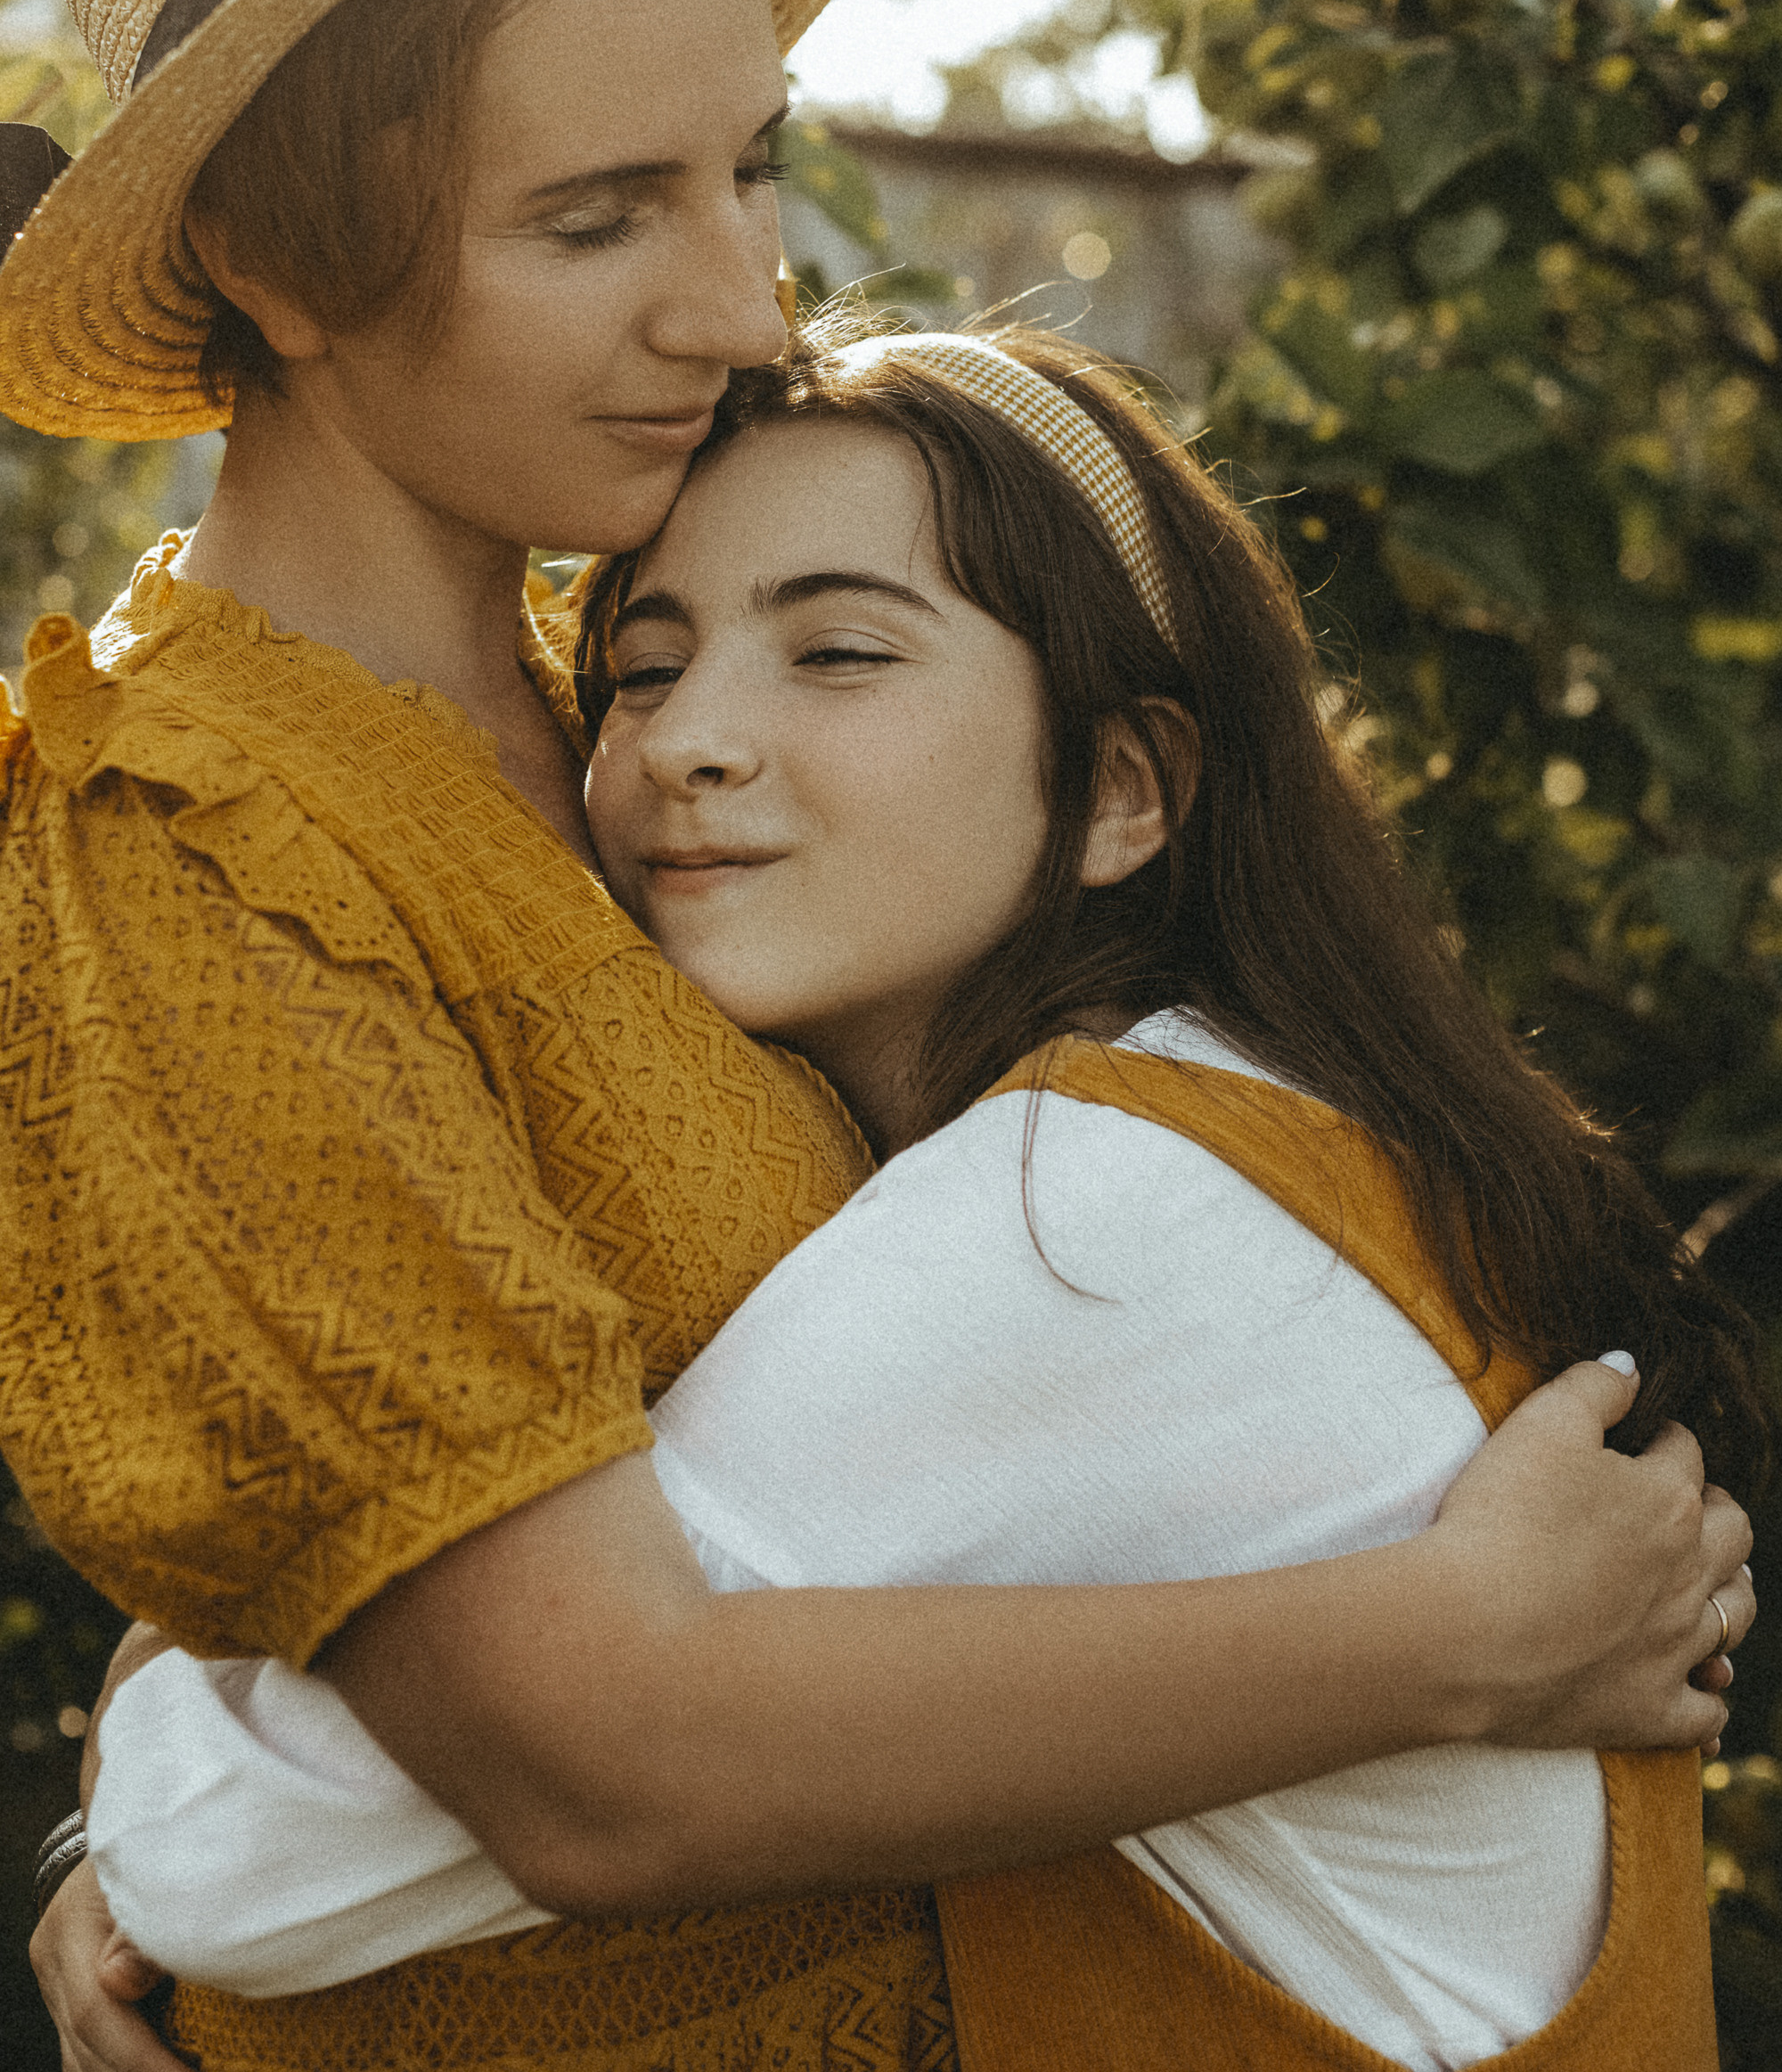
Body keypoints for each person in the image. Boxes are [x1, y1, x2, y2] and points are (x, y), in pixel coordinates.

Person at [1, 0, 1752, 2072]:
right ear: (273, 265)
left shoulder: (620, 706)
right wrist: (1459, 1636)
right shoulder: (199, 826)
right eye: (595, 219)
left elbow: (495, 1416)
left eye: (752, 167)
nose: (743, 310)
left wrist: (193, 1761)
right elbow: (563, 1720)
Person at [51, 321, 1768, 2072]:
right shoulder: (1253, 1134)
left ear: (1120, 790)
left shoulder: (1088, 1222)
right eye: (642, 667)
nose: (690, 740)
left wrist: (165, 1713)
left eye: (840, 653)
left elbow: (242, 1854)